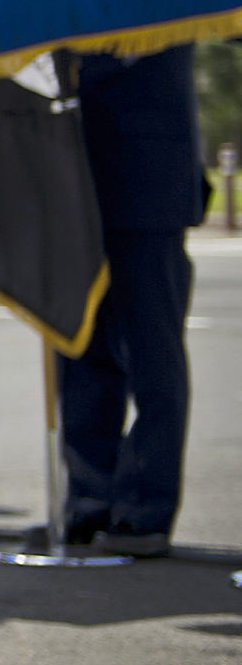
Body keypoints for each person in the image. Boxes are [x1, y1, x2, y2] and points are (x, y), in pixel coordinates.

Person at [58, 46, 205, 556]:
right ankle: (88, 501)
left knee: (153, 354)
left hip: (153, 177)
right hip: (75, 172)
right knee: (79, 347)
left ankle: (144, 510)